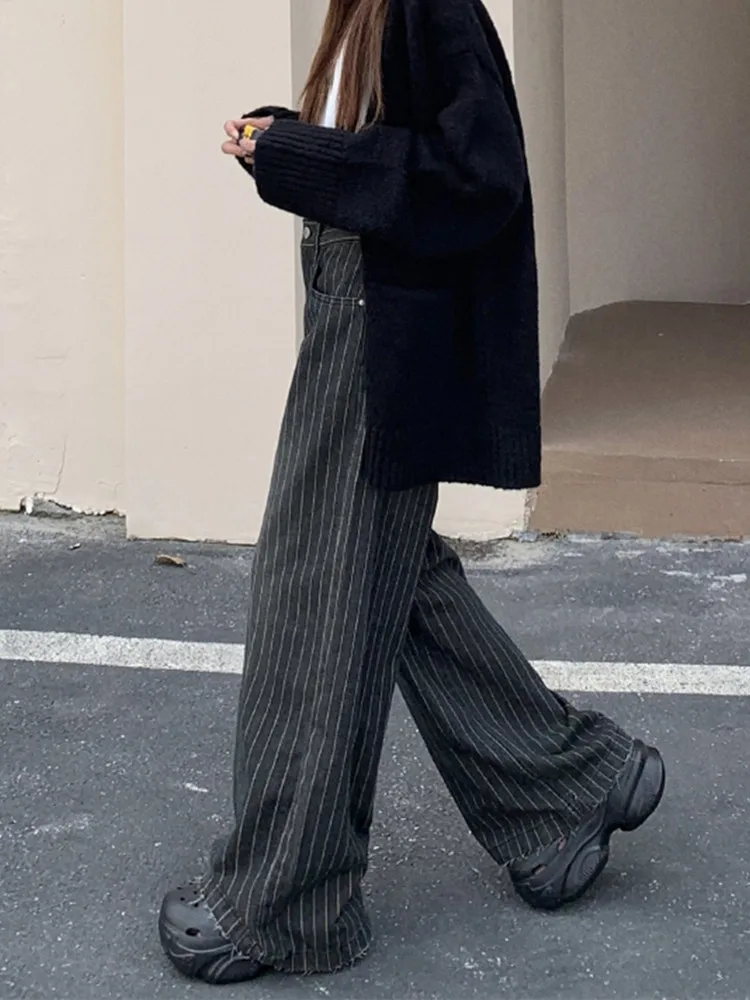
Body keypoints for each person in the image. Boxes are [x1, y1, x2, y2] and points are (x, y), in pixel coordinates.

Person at [157, 0, 665, 985]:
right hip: (362, 320)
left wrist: (304, 160)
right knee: (388, 576)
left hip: (377, 335)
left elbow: (480, 175)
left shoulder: (426, 5)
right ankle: (566, 790)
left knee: (317, 590)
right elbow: (389, 150)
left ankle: (287, 904)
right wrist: (285, 143)